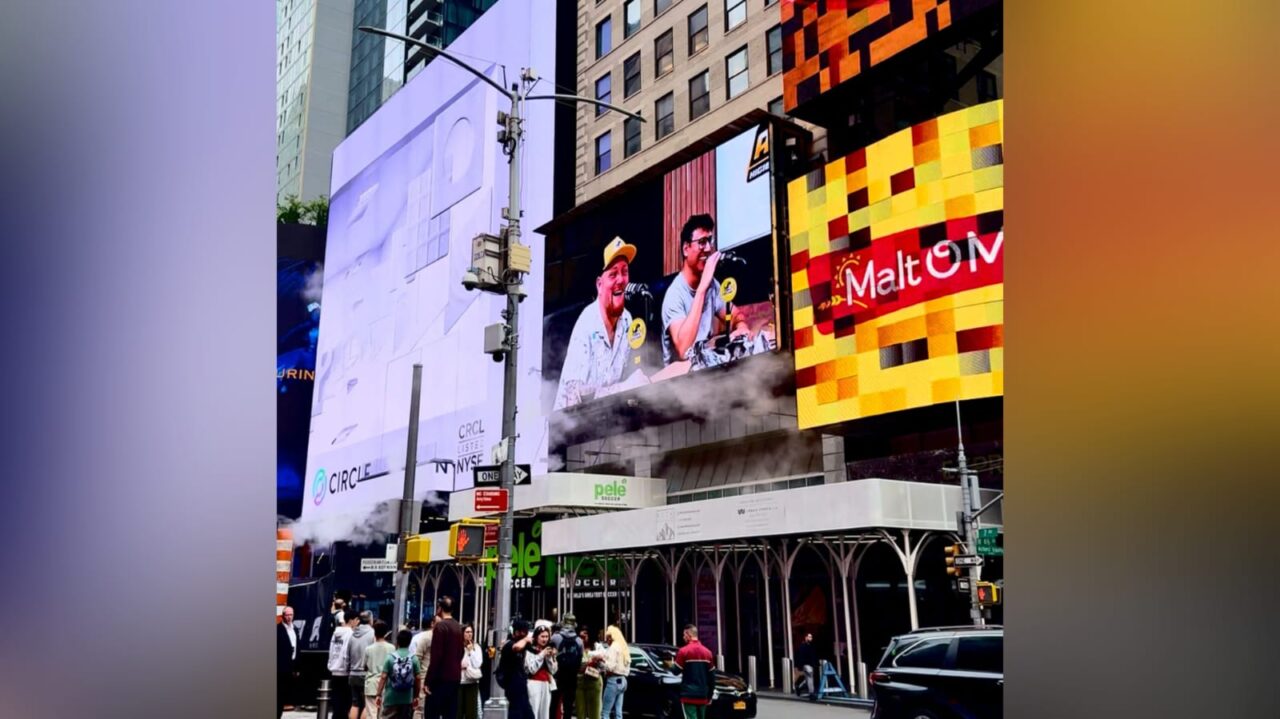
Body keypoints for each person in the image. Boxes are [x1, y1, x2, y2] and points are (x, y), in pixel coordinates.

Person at [553, 237, 651, 410]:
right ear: (599, 284)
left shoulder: (628, 320)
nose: (621, 280)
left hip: (606, 422)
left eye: (625, 272)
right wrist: (623, 388)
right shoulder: (587, 323)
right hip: (569, 430)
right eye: (613, 274)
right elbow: (573, 397)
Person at [661, 214, 749, 366]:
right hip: (679, 381)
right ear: (686, 249)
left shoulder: (712, 285)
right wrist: (702, 288)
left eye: (710, 241)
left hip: (705, 370)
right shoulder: (674, 295)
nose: (708, 248)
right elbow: (684, 350)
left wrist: (741, 328)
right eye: (702, 242)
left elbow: (736, 315)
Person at [427, 596, 465, 719]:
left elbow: (436, 656)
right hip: (455, 678)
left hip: (440, 679)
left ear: (440, 608)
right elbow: (461, 652)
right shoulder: (458, 627)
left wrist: (428, 680)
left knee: (432, 713)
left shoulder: (440, 627)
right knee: (450, 713)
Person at [377, 629, 426, 719]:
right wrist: (416, 696)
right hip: (407, 698)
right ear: (410, 641)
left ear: (397, 641)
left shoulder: (390, 658)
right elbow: (418, 678)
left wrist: (378, 694)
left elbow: (383, 677)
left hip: (390, 697)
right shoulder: (414, 659)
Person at [496, 620, 535, 719]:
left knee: (528, 714)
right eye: (523, 632)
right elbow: (516, 647)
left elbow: (535, 650)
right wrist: (526, 640)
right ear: (516, 632)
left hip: (521, 684)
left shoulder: (523, 644)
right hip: (512, 685)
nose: (525, 634)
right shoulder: (509, 644)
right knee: (516, 713)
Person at [673, 626, 715, 719]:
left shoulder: (683, 651)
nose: (683, 637)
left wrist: (671, 663)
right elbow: (712, 677)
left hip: (688, 695)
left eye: (684, 635)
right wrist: (710, 696)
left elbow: (675, 671)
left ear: (688, 635)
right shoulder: (708, 653)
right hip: (703, 695)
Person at [550, 614, 583, 719]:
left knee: (554, 704)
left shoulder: (555, 637)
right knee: (568, 706)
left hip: (557, 676)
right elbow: (580, 659)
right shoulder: (579, 640)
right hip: (572, 678)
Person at [329, 611, 360, 719]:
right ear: (351, 620)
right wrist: (348, 667)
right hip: (345, 672)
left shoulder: (335, 633)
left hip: (334, 670)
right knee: (346, 703)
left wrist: (330, 665)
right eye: (356, 620)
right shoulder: (350, 634)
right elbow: (348, 653)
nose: (357, 623)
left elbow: (331, 651)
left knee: (336, 703)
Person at [345, 611, 376, 719]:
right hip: (366, 674)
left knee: (355, 703)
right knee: (368, 705)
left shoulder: (353, 634)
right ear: (371, 620)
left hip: (353, 674)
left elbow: (347, 655)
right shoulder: (373, 633)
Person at [524, 625, 558, 719]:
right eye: (542, 636)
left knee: (545, 713)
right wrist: (541, 655)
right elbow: (531, 669)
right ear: (536, 637)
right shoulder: (529, 650)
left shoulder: (548, 649)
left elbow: (553, 671)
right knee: (533, 711)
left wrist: (551, 657)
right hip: (533, 683)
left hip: (547, 684)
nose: (545, 639)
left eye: (547, 636)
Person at [363, 621, 395, 719]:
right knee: (384, 714)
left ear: (374, 632)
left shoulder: (368, 649)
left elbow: (364, 666)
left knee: (371, 714)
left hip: (371, 684)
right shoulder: (392, 648)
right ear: (386, 633)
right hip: (386, 685)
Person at [599, 626, 630, 719]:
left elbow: (610, 667)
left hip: (613, 680)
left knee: (605, 713)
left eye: (607, 637)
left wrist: (600, 662)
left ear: (611, 637)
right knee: (618, 713)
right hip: (623, 681)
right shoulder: (623, 647)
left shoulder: (614, 647)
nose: (606, 640)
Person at [411, 614, 438, 719]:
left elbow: (413, 659)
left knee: (418, 707)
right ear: (432, 623)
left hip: (419, 675)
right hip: (426, 676)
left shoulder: (415, 638)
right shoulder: (430, 637)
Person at [575, 626, 604, 719]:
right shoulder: (576, 647)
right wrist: (589, 663)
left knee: (595, 713)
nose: (583, 638)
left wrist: (598, 661)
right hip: (579, 682)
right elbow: (574, 665)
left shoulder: (597, 647)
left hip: (594, 681)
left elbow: (605, 667)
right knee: (580, 712)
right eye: (581, 636)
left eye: (586, 634)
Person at [277, 607, 299, 718]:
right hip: (279, 668)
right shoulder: (278, 630)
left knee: (285, 695)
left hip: (291, 667)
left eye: (291, 614)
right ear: (282, 616)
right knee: (278, 696)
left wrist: (296, 668)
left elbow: (297, 648)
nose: (289, 617)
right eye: (287, 615)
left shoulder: (295, 629)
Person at [458, 624, 483, 719]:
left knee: (471, 712)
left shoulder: (476, 647)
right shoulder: (457, 646)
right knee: (458, 711)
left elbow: (477, 664)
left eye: (471, 632)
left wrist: (471, 651)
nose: (469, 634)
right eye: (467, 632)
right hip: (460, 681)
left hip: (472, 681)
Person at [794, 632, 818, 702]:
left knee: (808, 678)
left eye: (811, 637)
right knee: (810, 677)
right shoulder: (803, 646)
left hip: (809, 665)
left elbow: (813, 656)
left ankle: (799, 687)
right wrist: (800, 666)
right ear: (806, 637)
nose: (811, 638)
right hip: (806, 665)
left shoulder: (810, 646)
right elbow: (801, 657)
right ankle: (811, 694)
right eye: (809, 637)